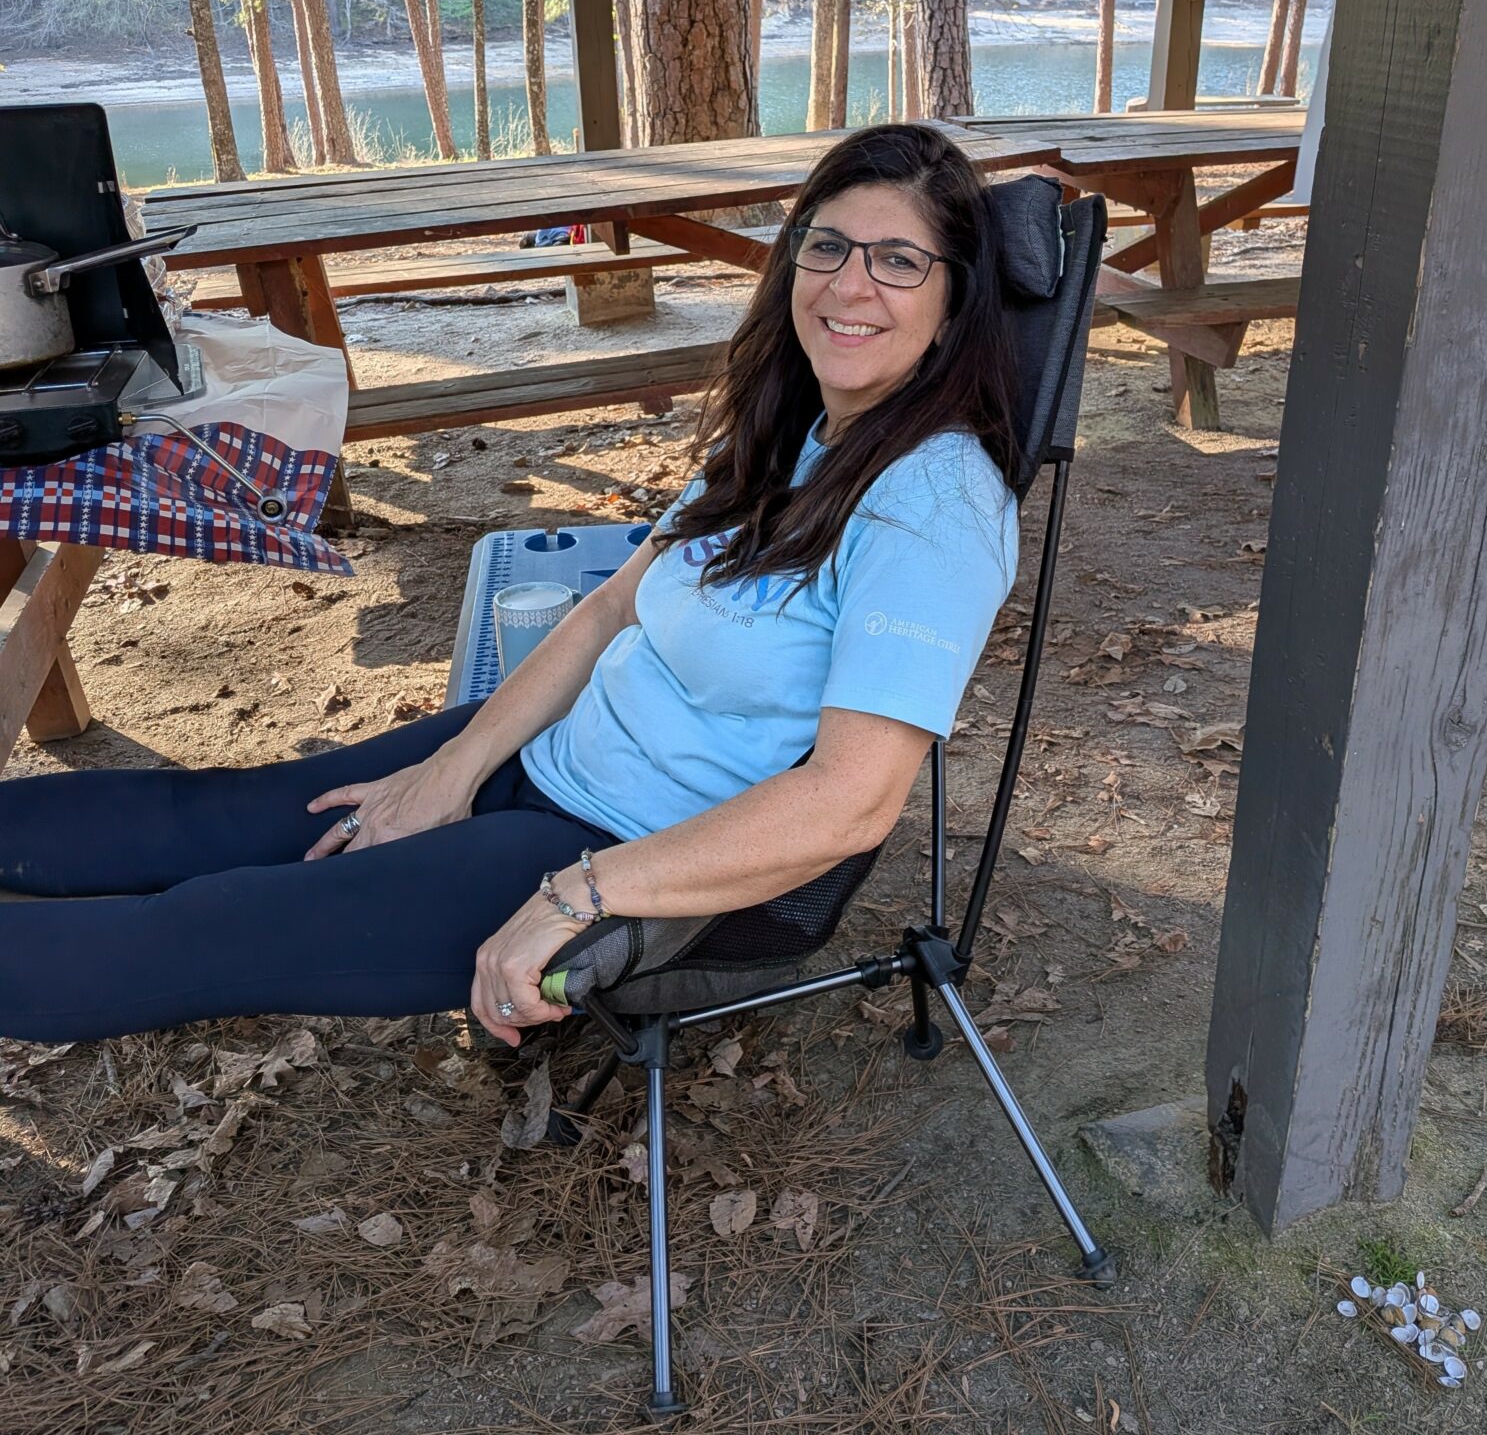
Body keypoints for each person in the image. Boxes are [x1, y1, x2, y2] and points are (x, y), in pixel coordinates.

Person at [0, 124, 1021, 1049]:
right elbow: (609, 608)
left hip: (633, 847)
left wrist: (580, 892)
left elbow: (848, 804)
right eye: (829, 245)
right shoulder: (797, 428)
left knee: (200, 927)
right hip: (547, 756)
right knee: (216, 817)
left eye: (898, 261)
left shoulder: (935, 508)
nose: (850, 285)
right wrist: (456, 764)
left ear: (950, 304)